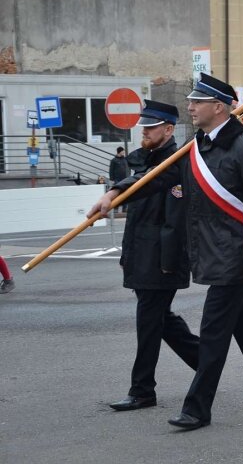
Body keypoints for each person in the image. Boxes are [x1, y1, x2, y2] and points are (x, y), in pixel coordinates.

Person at [91, 74, 243, 430]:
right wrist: (115, 193)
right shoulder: (200, 146)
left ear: (218, 107)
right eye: (191, 101)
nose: (190, 107)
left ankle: (197, 408)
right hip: (212, 249)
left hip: (234, 253)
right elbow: (158, 175)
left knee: (214, 331)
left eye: (197, 102)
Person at [97, 100, 200, 411]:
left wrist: (169, 265)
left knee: (149, 323)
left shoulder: (176, 162)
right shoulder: (142, 161)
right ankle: (208, 364)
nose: (145, 131)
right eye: (143, 126)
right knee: (161, 321)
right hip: (141, 257)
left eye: (151, 127)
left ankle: (142, 390)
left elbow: (174, 223)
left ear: (168, 130)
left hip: (160, 262)